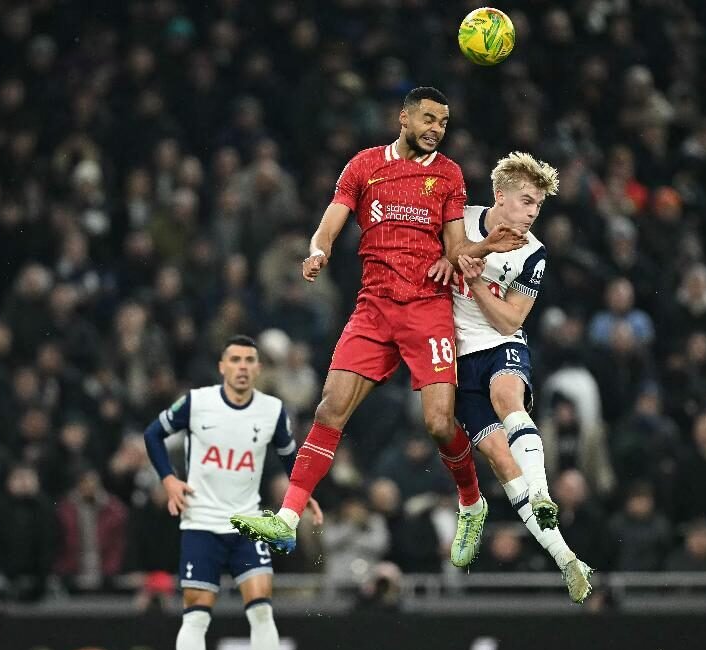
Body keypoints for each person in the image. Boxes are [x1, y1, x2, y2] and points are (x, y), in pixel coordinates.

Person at [230, 87, 527, 568]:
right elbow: (332, 219)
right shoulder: (365, 165)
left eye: (443, 122)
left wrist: (486, 245)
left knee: (437, 423)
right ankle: (285, 520)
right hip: (373, 309)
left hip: (427, 309)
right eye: (428, 119)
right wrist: (319, 249)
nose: (436, 129)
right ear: (403, 117)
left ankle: (471, 503)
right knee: (329, 410)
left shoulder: (448, 176)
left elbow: (453, 250)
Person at [446, 151, 594, 601]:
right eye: (526, 201)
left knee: (508, 399)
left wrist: (472, 283)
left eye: (538, 206)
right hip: (455, 361)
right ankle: (565, 557)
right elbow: (445, 257)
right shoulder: (460, 221)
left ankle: (543, 493)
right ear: (500, 196)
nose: (532, 212)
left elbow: (510, 321)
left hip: (501, 346)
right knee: (500, 458)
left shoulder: (534, 254)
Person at [144, 335, 322, 650]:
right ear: (222, 367)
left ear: (258, 368)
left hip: (248, 524)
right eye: (235, 360)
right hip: (201, 523)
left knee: (261, 610)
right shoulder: (197, 403)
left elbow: (289, 457)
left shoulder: (272, 411)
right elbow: (153, 434)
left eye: (249, 360)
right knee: (196, 614)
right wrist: (168, 479)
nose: (242, 367)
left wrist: (303, 494)